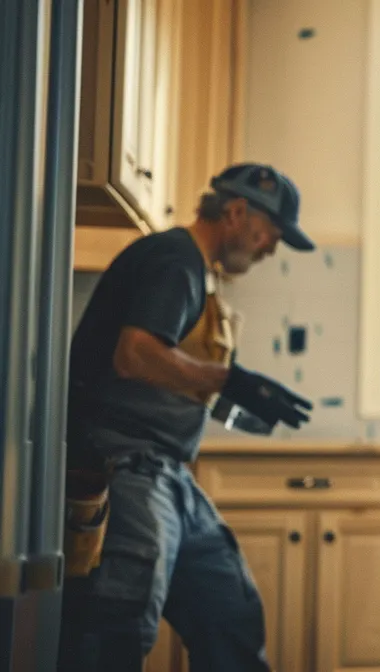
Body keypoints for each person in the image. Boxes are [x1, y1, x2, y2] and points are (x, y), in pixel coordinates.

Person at [59, 163, 317, 670]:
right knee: (117, 630)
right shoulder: (175, 259)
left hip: (167, 474)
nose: (270, 249)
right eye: (271, 234)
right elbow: (134, 354)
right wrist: (228, 380)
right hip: (126, 468)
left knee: (230, 614)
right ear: (237, 212)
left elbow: (164, 374)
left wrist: (242, 397)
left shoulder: (196, 270)